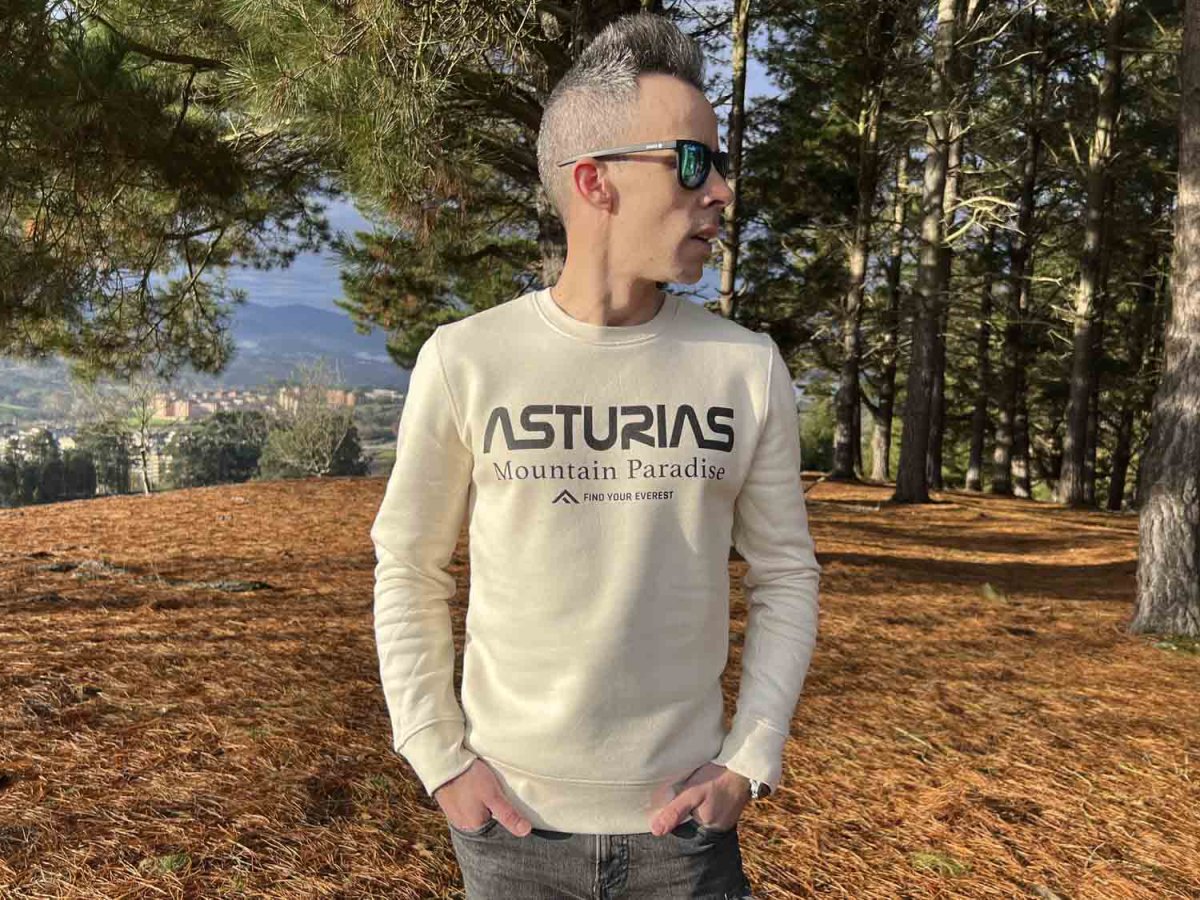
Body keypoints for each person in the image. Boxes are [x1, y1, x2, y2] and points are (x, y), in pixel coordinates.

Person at [370, 12, 821, 899]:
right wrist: (437, 756)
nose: (721, 190)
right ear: (594, 181)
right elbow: (408, 565)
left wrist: (750, 757)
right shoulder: (466, 361)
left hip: (684, 834)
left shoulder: (745, 368)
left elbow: (786, 574)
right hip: (510, 832)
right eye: (692, 161)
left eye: (720, 162)